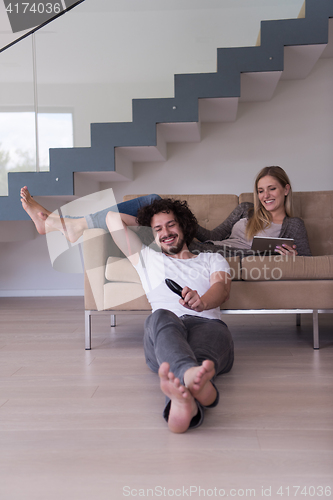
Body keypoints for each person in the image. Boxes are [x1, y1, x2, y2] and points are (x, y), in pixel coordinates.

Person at [105, 197, 234, 433]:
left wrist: (202, 301)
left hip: (208, 323)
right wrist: (147, 224)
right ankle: (196, 383)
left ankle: (184, 403)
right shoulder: (147, 258)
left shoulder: (212, 259)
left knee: (197, 357)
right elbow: (112, 218)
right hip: (165, 329)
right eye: (158, 229)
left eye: (171, 224)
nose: (165, 232)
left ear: (183, 226)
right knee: (161, 317)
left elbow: (222, 289)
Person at [20, 165, 312, 256]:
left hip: (208, 256)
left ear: (286, 189)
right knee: (152, 201)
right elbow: (215, 235)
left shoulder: (293, 225)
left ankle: (64, 225)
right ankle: (69, 225)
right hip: (203, 244)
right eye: (261, 190)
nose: (265, 195)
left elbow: (309, 261)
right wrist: (182, 225)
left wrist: (293, 258)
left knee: (127, 222)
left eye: (272, 189)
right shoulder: (245, 209)